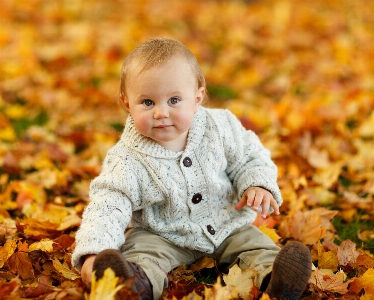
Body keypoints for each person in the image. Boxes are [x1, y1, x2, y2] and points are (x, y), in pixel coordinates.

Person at [71, 38, 312, 300]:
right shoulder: (126, 159)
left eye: (174, 100)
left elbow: (250, 157)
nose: (161, 113)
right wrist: (94, 251)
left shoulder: (220, 127)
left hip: (227, 223)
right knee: (143, 254)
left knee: (255, 247)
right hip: (162, 234)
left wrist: (257, 184)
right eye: (147, 103)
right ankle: (132, 284)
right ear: (127, 103)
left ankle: (276, 280)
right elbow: (108, 204)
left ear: (197, 99)